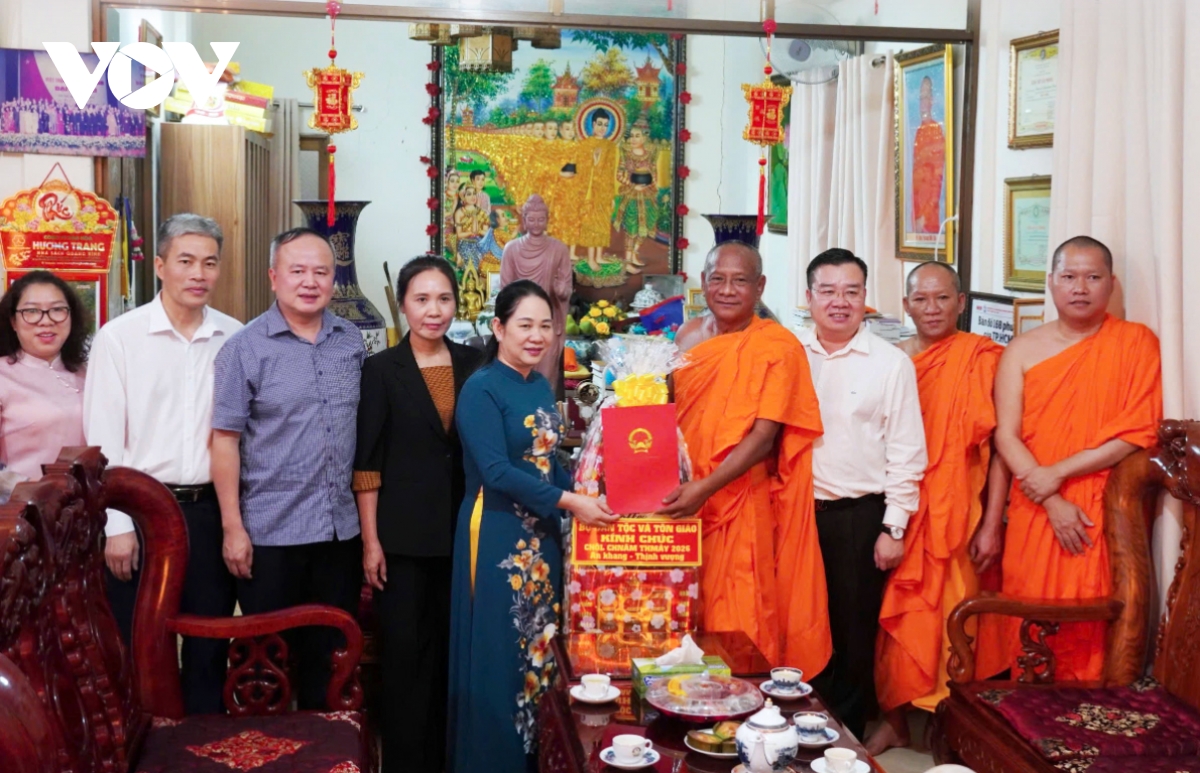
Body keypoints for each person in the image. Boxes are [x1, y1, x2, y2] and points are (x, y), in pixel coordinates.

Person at [447, 280, 617, 773]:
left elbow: (547, 462)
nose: (537, 336)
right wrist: (570, 502)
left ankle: (537, 757)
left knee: (540, 653)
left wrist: (585, 497)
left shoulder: (539, 385)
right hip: (497, 533)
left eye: (546, 325)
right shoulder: (481, 389)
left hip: (541, 536)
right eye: (524, 325)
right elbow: (497, 472)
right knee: (500, 654)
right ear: (498, 328)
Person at [975, 236, 1162, 682]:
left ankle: (1085, 723)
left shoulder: (1135, 343)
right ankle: (1025, 722)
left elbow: (1137, 430)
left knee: (1093, 617)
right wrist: (1050, 496)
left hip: (1100, 506)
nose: (1081, 287)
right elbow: (1006, 433)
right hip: (1035, 505)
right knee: (1030, 614)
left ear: (1110, 284)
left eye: (1093, 277)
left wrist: (1056, 474)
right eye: (1070, 277)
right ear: (1052, 283)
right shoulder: (1022, 348)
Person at [85, 214, 242, 715]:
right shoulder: (120, 337)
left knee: (208, 641)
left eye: (210, 263)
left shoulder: (234, 337)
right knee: (140, 644)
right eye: (186, 261)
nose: (199, 274)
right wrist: (116, 524)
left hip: (208, 511)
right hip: (141, 512)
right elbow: (103, 436)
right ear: (159, 265)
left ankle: (201, 749)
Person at [211, 227, 365, 710]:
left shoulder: (352, 342)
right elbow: (224, 441)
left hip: (339, 533)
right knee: (271, 664)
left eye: (321, 272)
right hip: (270, 534)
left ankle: (328, 751)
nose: (309, 281)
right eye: (297, 271)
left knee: (329, 657)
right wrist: (232, 527)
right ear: (273, 277)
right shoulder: (244, 348)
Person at [668, 242, 830, 674]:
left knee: (736, 612)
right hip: (682, 496)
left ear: (759, 287)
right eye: (717, 278)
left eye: (740, 280)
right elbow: (672, 413)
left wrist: (705, 488)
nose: (727, 289)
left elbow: (763, 437)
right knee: (683, 606)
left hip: (737, 495)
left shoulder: (777, 346)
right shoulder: (686, 337)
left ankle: (742, 709)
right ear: (702, 283)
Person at [867, 261, 1009, 755]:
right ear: (905, 305)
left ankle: (952, 721)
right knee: (895, 614)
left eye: (942, 298)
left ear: (961, 302)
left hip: (958, 509)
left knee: (952, 616)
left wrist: (992, 521)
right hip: (895, 507)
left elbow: (1001, 449)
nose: (932, 309)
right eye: (921, 300)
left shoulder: (986, 359)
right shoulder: (888, 359)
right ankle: (896, 718)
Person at [354, 256, 483, 773]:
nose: (434, 311)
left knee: (455, 658)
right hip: (402, 539)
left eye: (444, 299)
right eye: (422, 299)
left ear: (458, 303)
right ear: (403, 304)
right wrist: (370, 542)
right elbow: (367, 463)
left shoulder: (475, 362)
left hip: (464, 534)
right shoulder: (382, 370)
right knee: (407, 660)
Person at [799, 248, 927, 740]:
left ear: (865, 299)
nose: (839, 302)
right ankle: (797, 726)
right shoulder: (788, 354)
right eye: (828, 291)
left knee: (852, 630)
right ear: (809, 297)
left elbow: (906, 450)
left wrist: (894, 526)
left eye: (851, 292)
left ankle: (843, 740)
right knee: (801, 623)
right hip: (793, 515)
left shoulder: (891, 364)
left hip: (857, 517)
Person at [0, 271, 88, 500]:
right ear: (13, 321)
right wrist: (37, 491)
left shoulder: (90, 373)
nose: (46, 320)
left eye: (57, 309)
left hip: (88, 514)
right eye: (31, 311)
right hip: (23, 516)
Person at [500, 194, 573, 393]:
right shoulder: (512, 249)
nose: (536, 223)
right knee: (517, 376)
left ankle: (543, 417)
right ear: (524, 220)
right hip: (520, 325)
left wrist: (561, 290)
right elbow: (505, 291)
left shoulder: (559, 249)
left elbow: (566, 287)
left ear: (547, 219)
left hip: (546, 323)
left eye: (541, 219)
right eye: (531, 219)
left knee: (545, 377)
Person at [612, 117, 658, 272]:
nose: (633, 139)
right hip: (631, 195)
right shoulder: (626, 153)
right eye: (631, 136)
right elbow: (619, 174)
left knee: (647, 224)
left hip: (647, 194)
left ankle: (634, 254)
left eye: (637, 136)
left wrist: (650, 184)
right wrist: (633, 185)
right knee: (632, 227)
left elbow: (654, 171)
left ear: (645, 138)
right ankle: (627, 261)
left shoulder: (650, 153)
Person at [911, 76, 946, 234]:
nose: (922, 102)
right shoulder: (917, 131)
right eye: (920, 97)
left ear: (932, 100)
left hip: (928, 215)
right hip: (914, 207)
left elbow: (937, 180)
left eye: (926, 97)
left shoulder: (935, 131)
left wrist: (925, 215)